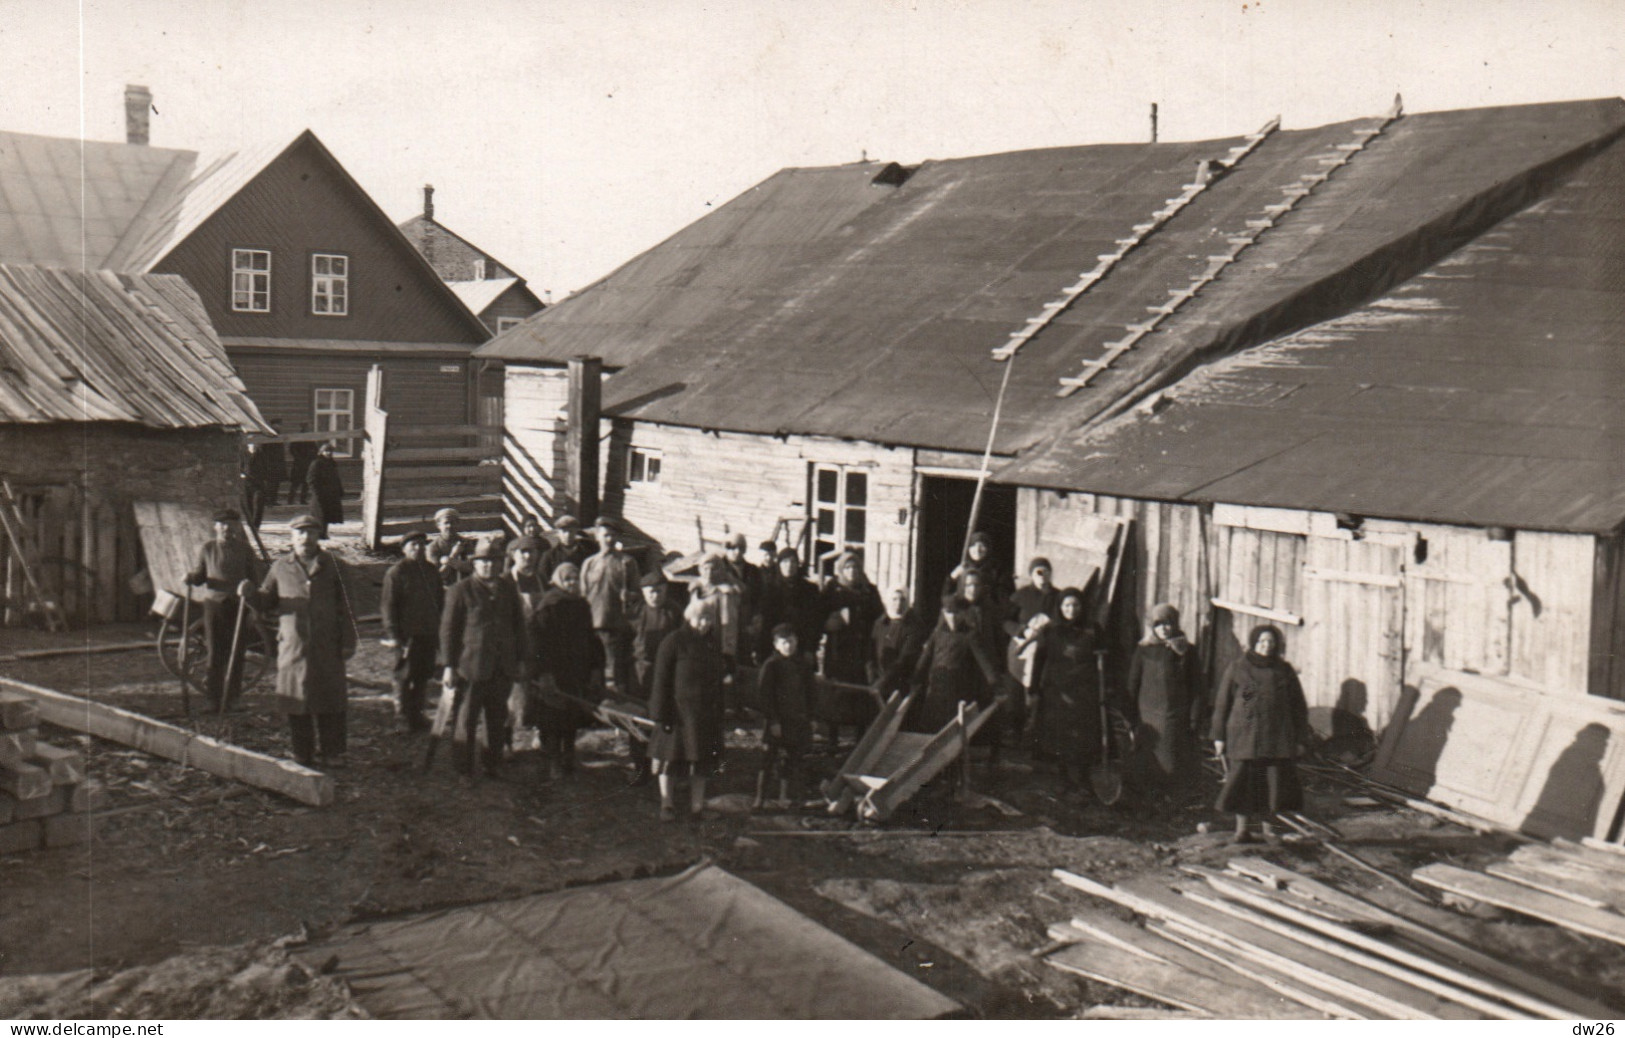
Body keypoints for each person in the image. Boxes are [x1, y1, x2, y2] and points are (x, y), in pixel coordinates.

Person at [243, 514, 356, 767]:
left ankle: (333, 752)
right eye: (300, 533)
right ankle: (301, 751)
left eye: (311, 533)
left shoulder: (334, 565)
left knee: (331, 698)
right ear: (292, 538)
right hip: (293, 646)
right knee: (297, 700)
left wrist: (349, 641)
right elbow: (265, 600)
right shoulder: (280, 567)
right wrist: (251, 595)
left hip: (327, 644)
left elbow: (347, 608)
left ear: (318, 536)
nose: (305, 538)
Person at [1211, 625, 1311, 844]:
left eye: (1271, 643)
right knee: (1243, 785)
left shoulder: (1284, 670)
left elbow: (1298, 707)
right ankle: (1242, 831)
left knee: (1273, 787)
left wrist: (1301, 739)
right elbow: (1222, 705)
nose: (1267, 647)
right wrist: (1218, 737)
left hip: (1277, 738)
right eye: (1262, 642)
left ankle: (1269, 832)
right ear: (1254, 643)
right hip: (1245, 737)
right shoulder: (1238, 668)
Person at [439, 540, 529, 777]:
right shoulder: (461, 590)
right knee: (466, 719)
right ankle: (464, 769)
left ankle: (492, 764)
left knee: (497, 718)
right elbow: (448, 631)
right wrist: (449, 666)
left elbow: (519, 627)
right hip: (471, 667)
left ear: (500, 564)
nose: (489, 566)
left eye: (494, 561)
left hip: (502, 668)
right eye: (483, 561)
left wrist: (520, 660)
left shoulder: (508, 590)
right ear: (475, 564)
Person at [648, 597, 728, 821]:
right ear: (689, 617)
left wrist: (720, 710)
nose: (705, 623)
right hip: (677, 714)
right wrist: (659, 713)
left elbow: (718, 681)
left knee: (701, 762)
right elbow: (661, 680)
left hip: (704, 715)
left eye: (709, 618)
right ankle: (667, 804)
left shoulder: (712, 644)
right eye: (701, 618)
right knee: (669, 760)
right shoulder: (674, 641)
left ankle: (697, 807)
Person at [529, 561, 604, 780]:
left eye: (575, 579)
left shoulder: (582, 605)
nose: (572, 583)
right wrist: (543, 672)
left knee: (572, 715)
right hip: (554, 670)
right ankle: (554, 761)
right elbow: (538, 642)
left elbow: (590, 638)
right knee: (553, 716)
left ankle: (568, 756)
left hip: (576, 669)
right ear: (559, 581)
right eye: (567, 579)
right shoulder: (549, 606)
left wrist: (594, 667)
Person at [1126, 603, 1205, 800]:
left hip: (1174, 716)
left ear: (1175, 624)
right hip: (1148, 717)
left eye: (1168, 623)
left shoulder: (1187, 651)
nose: (1163, 629)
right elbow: (1133, 684)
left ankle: (1170, 803)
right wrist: (1130, 717)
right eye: (1158, 624)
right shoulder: (1144, 649)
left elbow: (1197, 687)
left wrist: (1194, 719)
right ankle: (1147, 802)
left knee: (1170, 762)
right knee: (1147, 761)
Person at [185, 507, 261, 712]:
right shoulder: (208, 548)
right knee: (215, 653)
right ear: (216, 527)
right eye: (223, 524)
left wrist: (249, 588)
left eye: (231, 524)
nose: (227, 528)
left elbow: (255, 580)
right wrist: (191, 578)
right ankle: (213, 699)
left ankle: (233, 697)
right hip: (214, 606)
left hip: (238, 606)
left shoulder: (245, 549)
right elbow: (200, 576)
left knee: (236, 653)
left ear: (237, 526)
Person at [1030, 588, 1103, 791]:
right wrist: (1033, 688)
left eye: (1076, 605)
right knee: (1059, 733)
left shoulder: (1092, 629)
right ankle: (1063, 776)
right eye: (1067, 605)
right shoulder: (1050, 630)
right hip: (1057, 689)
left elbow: (1105, 655)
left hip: (1084, 690)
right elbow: (1039, 660)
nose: (1072, 609)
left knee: (1084, 733)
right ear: (1060, 607)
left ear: (1082, 607)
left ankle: (1083, 775)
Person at [906, 594, 1001, 736]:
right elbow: (925, 657)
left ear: (963, 614)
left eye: (956, 613)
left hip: (958, 689)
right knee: (931, 725)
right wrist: (916, 678)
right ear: (944, 613)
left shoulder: (970, 634)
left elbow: (983, 661)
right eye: (948, 612)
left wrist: (994, 683)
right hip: (936, 686)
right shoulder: (938, 633)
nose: (952, 617)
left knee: (953, 729)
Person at [817, 551, 885, 741]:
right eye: (847, 567)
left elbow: (879, 617)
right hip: (838, 649)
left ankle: (859, 738)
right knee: (837, 692)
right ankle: (833, 737)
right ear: (841, 570)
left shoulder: (869, 590)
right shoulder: (832, 589)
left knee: (861, 693)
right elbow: (818, 614)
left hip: (861, 648)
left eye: (855, 567)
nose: (852, 571)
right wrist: (829, 622)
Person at [380, 531, 443, 732]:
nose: (419, 549)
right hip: (407, 635)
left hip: (428, 631)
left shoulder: (432, 571)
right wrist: (394, 635)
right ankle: (401, 716)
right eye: (414, 545)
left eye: (422, 545)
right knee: (404, 675)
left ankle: (417, 714)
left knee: (423, 674)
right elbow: (388, 607)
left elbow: (440, 601)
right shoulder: (397, 572)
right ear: (404, 549)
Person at [626, 570, 681, 786]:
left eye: (659, 591)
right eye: (650, 592)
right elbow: (624, 646)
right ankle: (641, 769)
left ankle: (668, 768)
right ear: (643, 592)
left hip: (667, 674)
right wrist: (622, 676)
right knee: (638, 721)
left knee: (665, 718)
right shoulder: (635, 612)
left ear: (665, 591)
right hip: (640, 673)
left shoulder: (674, 612)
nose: (655, 596)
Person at [757, 623, 815, 806]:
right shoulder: (771, 665)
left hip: (797, 720)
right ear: (775, 644)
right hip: (777, 721)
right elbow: (764, 696)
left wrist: (812, 718)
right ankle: (760, 798)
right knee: (768, 760)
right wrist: (773, 721)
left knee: (795, 760)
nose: (788, 646)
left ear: (796, 641)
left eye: (790, 641)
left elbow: (811, 693)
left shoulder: (804, 665)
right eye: (783, 642)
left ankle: (794, 798)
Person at [581, 517, 640, 693]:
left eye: (613, 536)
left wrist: (629, 595)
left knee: (613, 673)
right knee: (591, 670)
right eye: (605, 535)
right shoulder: (589, 563)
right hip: (591, 626)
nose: (609, 539)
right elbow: (582, 595)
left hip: (614, 627)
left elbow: (638, 593)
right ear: (597, 537)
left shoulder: (626, 563)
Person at [757, 547, 820, 663]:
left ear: (797, 564)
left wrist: (810, 649)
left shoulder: (810, 590)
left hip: (801, 646)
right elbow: (766, 621)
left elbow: (814, 622)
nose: (789, 565)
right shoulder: (770, 588)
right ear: (779, 565)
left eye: (793, 561)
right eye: (785, 562)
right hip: (775, 647)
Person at [871, 588, 928, 696]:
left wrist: (883, 681)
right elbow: (871, 651)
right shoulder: (880, 623)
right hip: (876, 683)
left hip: (899, 683)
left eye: (902, 600)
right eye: (894, 599)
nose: (898, 603)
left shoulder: (913, 626)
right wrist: (872, 679)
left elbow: (905, 658)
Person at [942, 530, 1012, 608]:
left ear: (988, 548)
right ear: (968, 549)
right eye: (973, 545)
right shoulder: (962, 568)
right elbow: (946, 597)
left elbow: (1004, 597)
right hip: (964, 612)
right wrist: (952, 577)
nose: (977, 550)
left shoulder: (997, 569)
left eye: (982, 545)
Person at [722, 533, 762, 661]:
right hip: (726, 622)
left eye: (741, 548)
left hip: (746, 622)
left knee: (744, 660)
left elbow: (759, 596)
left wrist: (756, 617)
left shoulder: (753, 571)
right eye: (733, 548)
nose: (737, 552)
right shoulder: (719, 569)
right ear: (726, 548)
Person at [538, 515, 595, 580]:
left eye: (571, 531)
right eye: (564, 531)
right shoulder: (549, 556)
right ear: (558, 533)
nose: (568, 535)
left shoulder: (586, 553)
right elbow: (544, 579)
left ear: (576, 531)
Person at [427, 508, 472, 587]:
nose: (450, 526)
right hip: (443, 589)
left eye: (453, 522)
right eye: (446, 523)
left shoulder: (466, 543)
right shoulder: (433, 547)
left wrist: (448, 561)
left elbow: (472, 568)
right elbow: (438, 576)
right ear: (438, 525)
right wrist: (454, 554)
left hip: (465, 588)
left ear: (458, 523)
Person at [306, 441, 345, 530]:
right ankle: (318, 533)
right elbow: (311, 479)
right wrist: (316, 492)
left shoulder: (332, 463)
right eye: (326, 451)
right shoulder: (316, 463)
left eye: (330, 451)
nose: (328, 453)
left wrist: (340, 490)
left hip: (331, 493)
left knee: (328, 515)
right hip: (320, 493)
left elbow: (336, 478)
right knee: (320, 514)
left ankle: (324, 533)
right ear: (321, 452)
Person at [287, 426, 317, 505]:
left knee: (305, 483)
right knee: (295, 484)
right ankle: (290, 500)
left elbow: (315, 450)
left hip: (307, 464)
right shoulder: (297, 440)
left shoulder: (310, 440)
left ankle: (302, 500)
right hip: (298, 465)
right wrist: (299, 458)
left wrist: (311, 457)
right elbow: (292, 450)